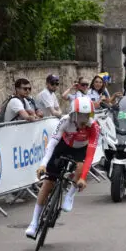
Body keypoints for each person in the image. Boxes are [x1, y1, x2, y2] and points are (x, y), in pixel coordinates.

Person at [25, 96, 99, 239]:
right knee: (48, 183)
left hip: (81, 150)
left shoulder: (94, 126)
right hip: (64, 146)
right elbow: (53, 143)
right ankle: (34, 223)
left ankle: (70, 195)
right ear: (74, 114)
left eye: (87, 115)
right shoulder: (65, 120)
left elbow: (90, 155)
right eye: (81, 115)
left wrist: (83, 178)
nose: (84, 119)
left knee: (80, 167)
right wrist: (43, 164)